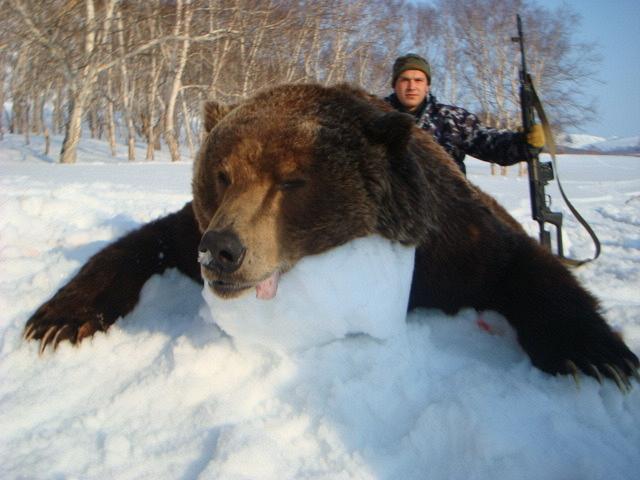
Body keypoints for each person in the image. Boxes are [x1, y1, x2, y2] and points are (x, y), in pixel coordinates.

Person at [385, 53, 544, 175]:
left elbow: (488, 141)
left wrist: (522, 143)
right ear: (394, 84)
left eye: (418, 80)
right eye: (405, 80)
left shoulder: (452, 118)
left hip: (444, 209)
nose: (412, 86)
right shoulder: (375, 118)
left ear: (427, 86)